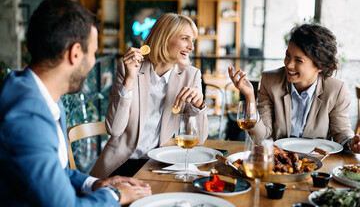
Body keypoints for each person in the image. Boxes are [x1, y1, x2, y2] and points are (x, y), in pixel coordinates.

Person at [0, 0, 151, 206]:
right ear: (76, 53)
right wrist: (116, 195)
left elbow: (59, 172)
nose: (93, 62)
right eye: (94, 53)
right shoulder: (27, 116)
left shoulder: (42, 95)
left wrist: (96, 184)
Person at [90, 13, 208, 179]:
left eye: (192, 41)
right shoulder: (129, 69)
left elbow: (200, 139)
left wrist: (199, 105)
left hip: (160, 164)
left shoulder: (191, 75)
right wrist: (129, 79)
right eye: (185, 39)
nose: (191, 47)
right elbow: (114, 129)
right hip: (122, 163)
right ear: (165, 38)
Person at [228, 23, 360, 153]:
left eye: (299, 60)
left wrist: (351, 142)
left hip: (318, 163)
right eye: (287, 56)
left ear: (320, 66)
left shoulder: (336, 90)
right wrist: (250, 97)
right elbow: (261, 137)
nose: (289, 65)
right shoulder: (270, 81)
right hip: (279, 162)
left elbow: (340, 132)